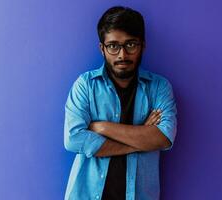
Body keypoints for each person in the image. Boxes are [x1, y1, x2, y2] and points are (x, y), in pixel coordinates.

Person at [64, 6, 177, 200]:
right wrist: (141, 138)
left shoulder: (159, 87)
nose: (122, 55)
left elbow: (163, 138)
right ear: (102, 48)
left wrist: (102, 127)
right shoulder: (85, 85)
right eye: (113, 46)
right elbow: (73, 139)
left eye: (130, 45)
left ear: (142, 45)